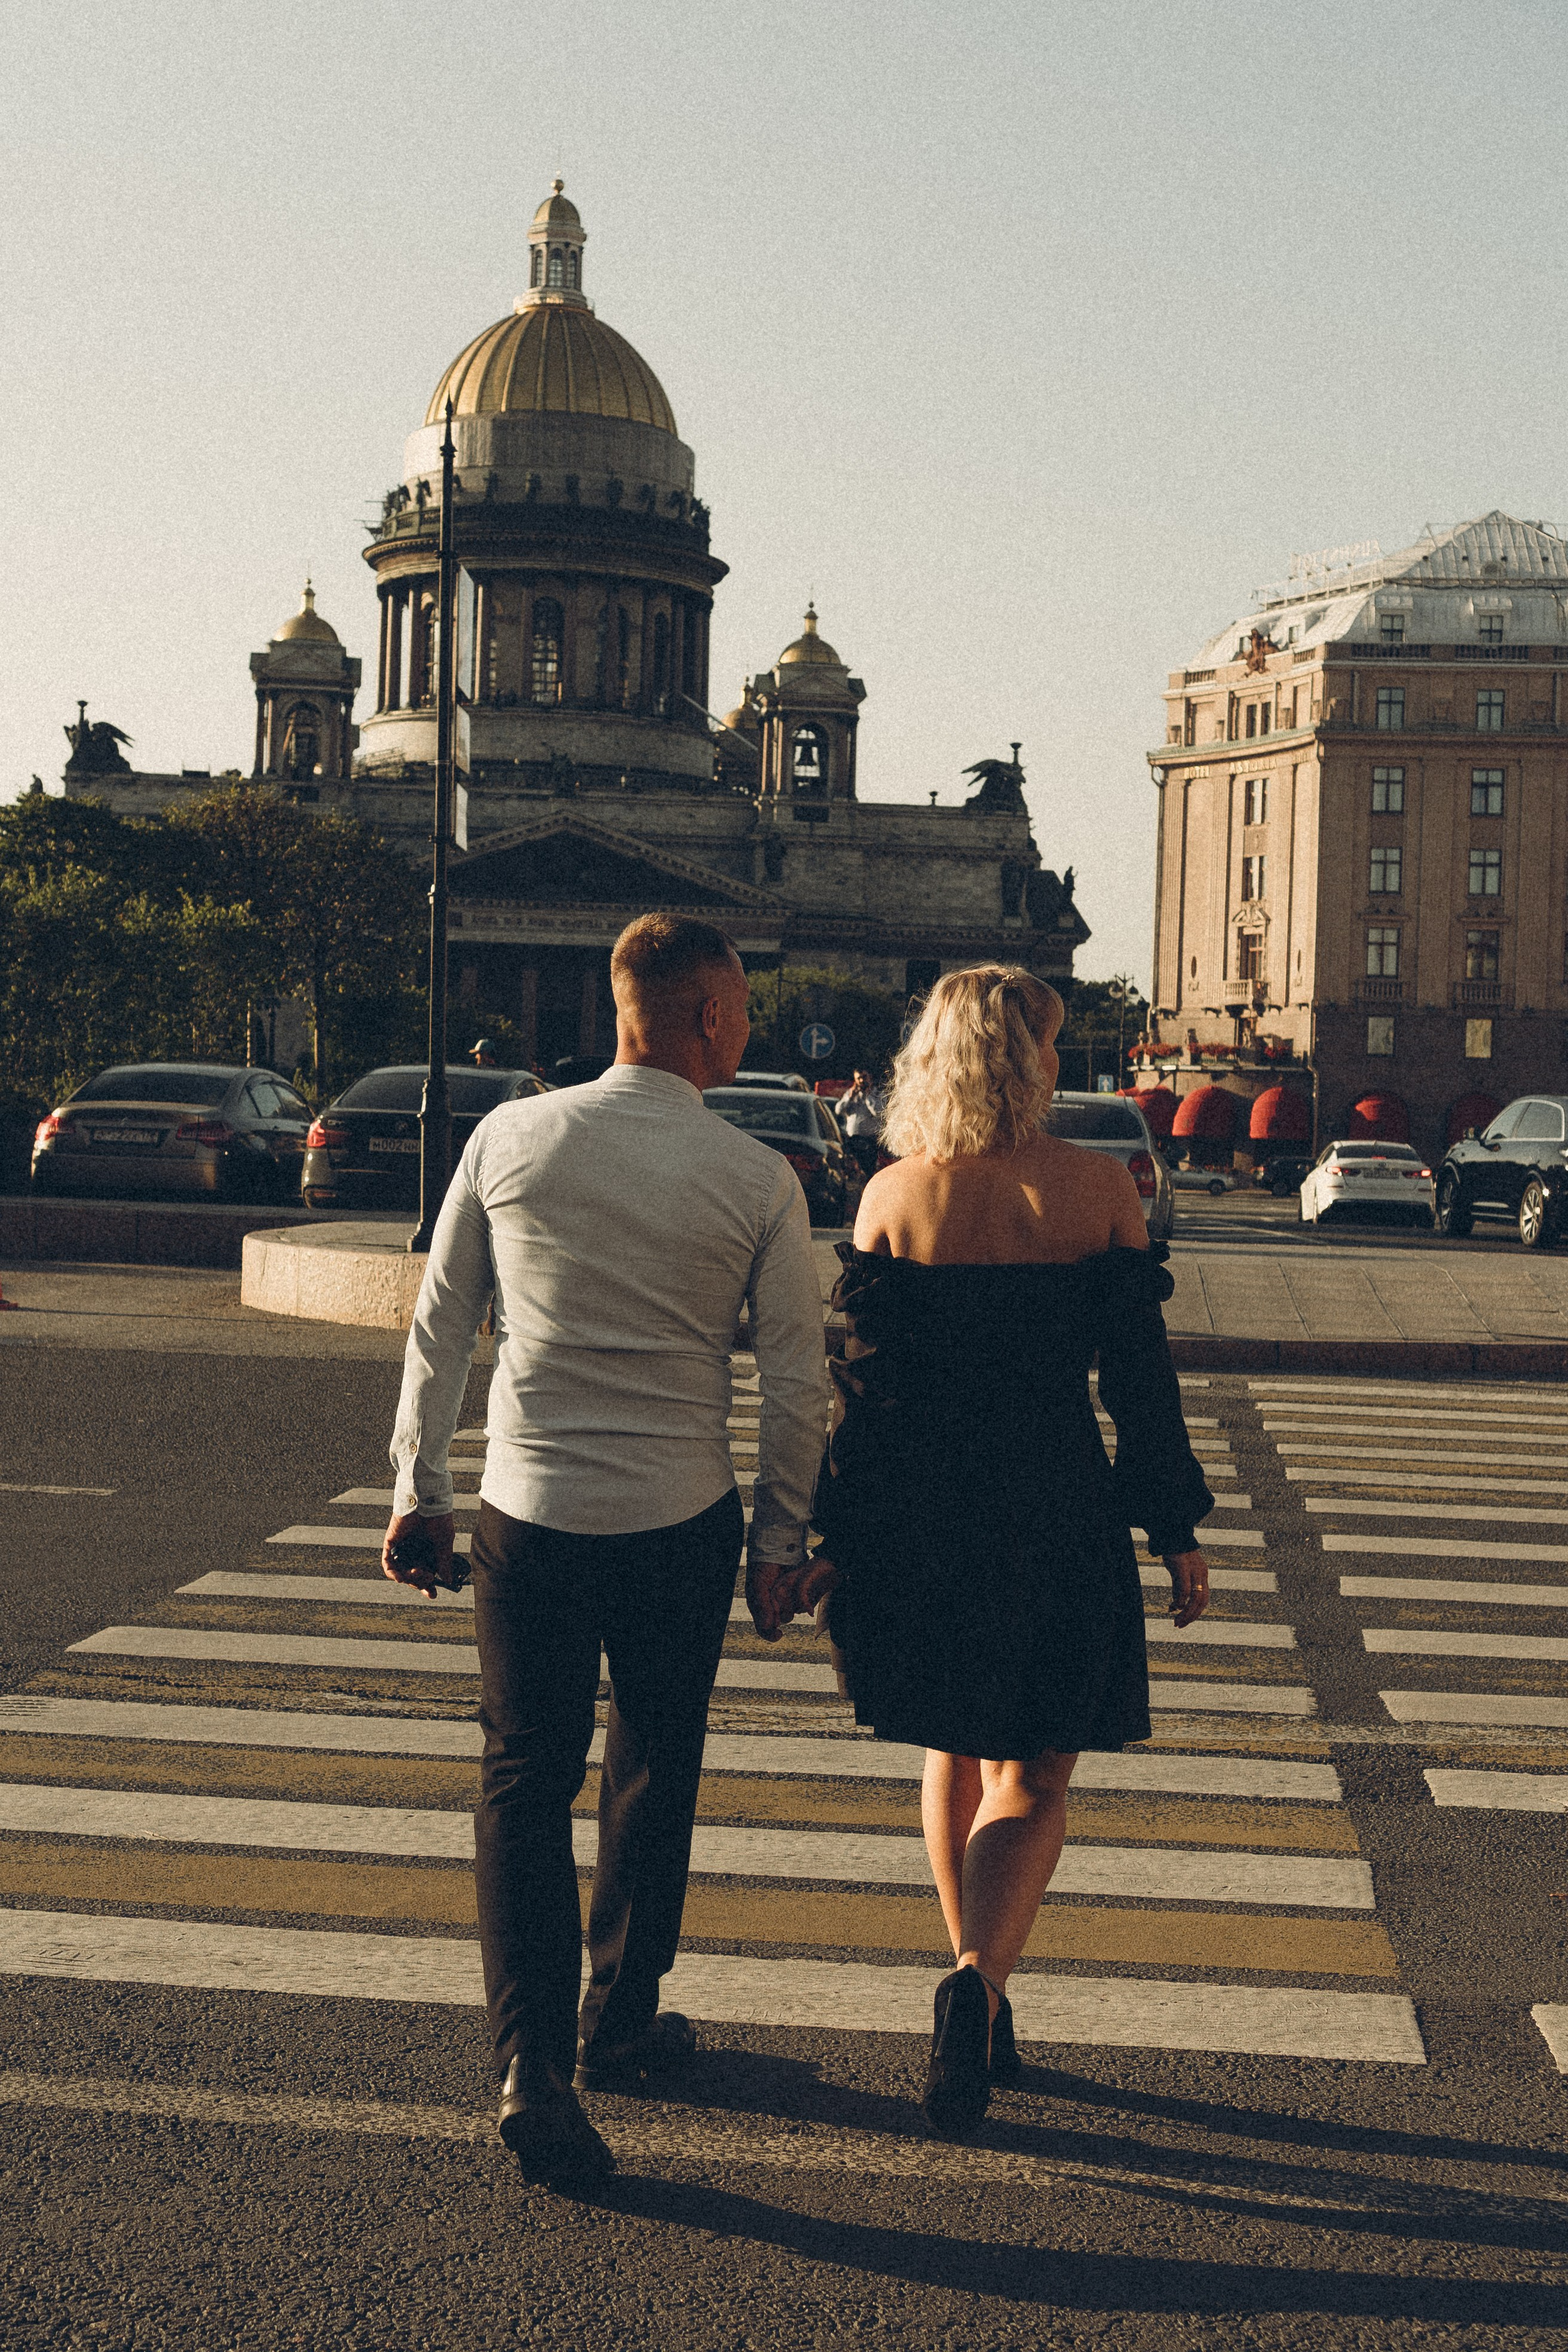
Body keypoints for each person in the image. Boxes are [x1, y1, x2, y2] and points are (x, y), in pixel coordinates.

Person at [381, 914, 829, 2187]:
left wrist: (418, 1491)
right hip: (679, 1521)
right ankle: (621, 2015)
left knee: (523, 1779)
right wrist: (782, 1544)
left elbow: (440, 1327)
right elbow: (795, 1385)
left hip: (526, 1514)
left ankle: (533, 2066)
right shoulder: (754, 1179)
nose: (745, 1025)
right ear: (700, 1017)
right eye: (739, 1006)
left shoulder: (510, 1138)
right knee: (654, 1761)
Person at [788, 965, 1212, 2141]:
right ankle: (977, 1983)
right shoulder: (1095, 1190)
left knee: (955, 1745)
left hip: (923, 1515)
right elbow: (1140, 1385)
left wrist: (832, 1541)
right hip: (1053, 1505)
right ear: (1035, 1060)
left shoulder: (892, 1197)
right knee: (1035, 1770)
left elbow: (856, 1402)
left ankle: (979, 1982)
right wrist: (1172, 1530)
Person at [836, 1068, 885, 1183]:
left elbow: (879, 1112)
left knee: (869, 1172)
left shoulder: (877, 1094)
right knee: (852, 1172)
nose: (862, 1081)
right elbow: (838, 1110)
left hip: (870, 1141)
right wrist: (850, 1098)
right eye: (859, 1078)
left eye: (864, 1077)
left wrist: (868, 1097)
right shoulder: (851, 1094)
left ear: (870, 1078)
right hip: (853, 1140)